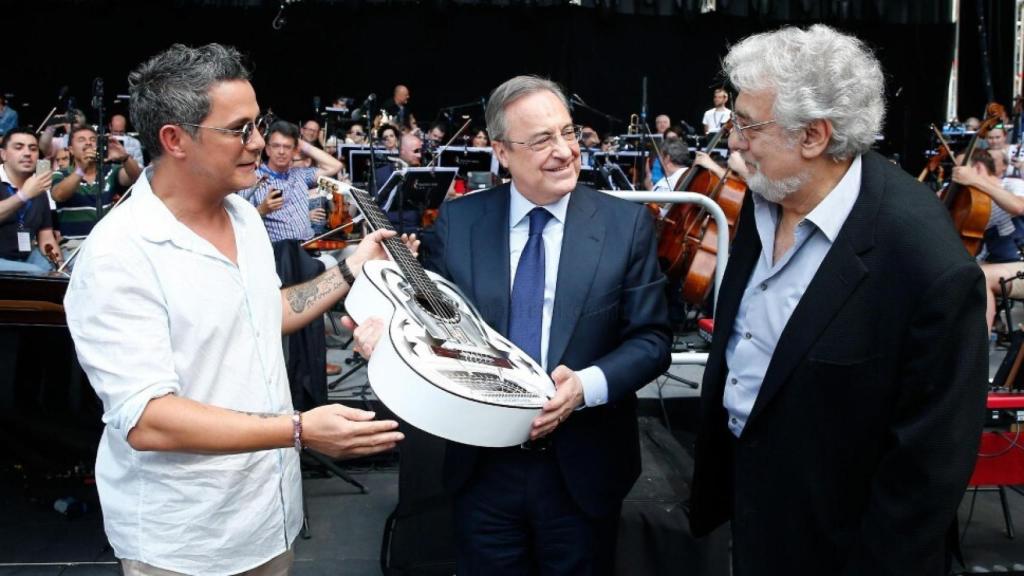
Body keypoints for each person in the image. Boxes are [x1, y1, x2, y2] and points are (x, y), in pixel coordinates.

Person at [63, 43, 408, 576]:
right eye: (239, 129)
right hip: (183, 541)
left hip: (267, 521)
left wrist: (348, 271)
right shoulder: (118, 254)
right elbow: (148, 420)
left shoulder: (244, 220)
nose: (258, 143)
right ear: (175, 139)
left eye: (258, 125)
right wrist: (299, 430)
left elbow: (262, 312)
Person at [689, 25, 988, 575]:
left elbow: (927, 468)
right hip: (750, 510)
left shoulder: (925, 261)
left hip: (842, 545)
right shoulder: (769, 195)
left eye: (748, 124)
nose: (733, 141)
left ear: (814, 137)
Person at [353, 75, 672, 575]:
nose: (565, 151)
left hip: (584, 470)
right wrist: (383, 336)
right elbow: (430, 322)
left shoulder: (625, 225)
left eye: (568, 133)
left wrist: (583, 389)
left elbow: (652, 340)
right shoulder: (459, 223)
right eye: (542, 139)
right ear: (501, 151)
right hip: (481, 470)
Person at [952, 149, 1024, 328]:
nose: (956, 176)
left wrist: (975, 181)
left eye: (960, 170)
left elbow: (1018, 207)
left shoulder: (1013, 184)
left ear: (977, 168)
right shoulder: (971, 201)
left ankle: (977, 348)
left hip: (1020, 265)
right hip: (998, 264)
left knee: (981, 277)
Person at [240, 120, 342, 242]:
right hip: (280, 254)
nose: (281, 152)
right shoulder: (252, 179)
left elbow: (335, 166)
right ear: (267, 150)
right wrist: (262, 210)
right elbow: (240, 224)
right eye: (276, 146)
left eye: (287, 147)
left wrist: (301, 143)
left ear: (294, 151)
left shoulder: (300, 174)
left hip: (309, 246)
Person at [51, 125, 142, 253]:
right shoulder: (61, 174)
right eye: (81, 140)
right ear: (71, 150)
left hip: (108, 244)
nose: (88, 142)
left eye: (93, 139)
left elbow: (135, 179)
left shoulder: (110, 170)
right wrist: (81, 169)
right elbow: (59, 195)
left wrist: (125, 157)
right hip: (75, 247)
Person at [0, 128, 60, 271]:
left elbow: (46, 238)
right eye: (19, 147)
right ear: (3, 154)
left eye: (33, 149)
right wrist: (23, 195)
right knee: (35, 272)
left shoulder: (38, 187)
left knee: (68, 268)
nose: (27, 153)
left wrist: (60, 267)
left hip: (26, 256)